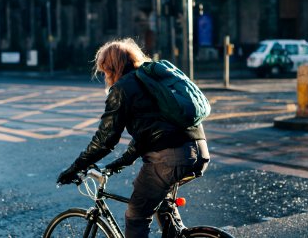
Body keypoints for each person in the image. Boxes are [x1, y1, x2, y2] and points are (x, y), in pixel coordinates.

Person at [57, 38, 210, 238]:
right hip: (198, 150)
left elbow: (105, 139)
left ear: (112, 68)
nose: (105, 75)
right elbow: (148, 133)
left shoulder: (123, 88)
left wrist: (75, 168)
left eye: (105, 71)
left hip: (169, 158)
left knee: (136, 215)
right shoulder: (149, 79)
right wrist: (118, 164)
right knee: (161, 204)